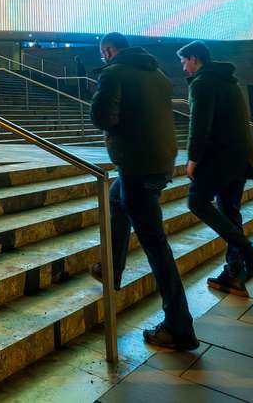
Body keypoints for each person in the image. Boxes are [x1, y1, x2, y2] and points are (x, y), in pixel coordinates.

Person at [88, 32, 197, 351]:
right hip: (160, 161)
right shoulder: (158, 74)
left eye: (103, 53)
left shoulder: (113, 72)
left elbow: (102, 117)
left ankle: (179, 326)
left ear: (108, 51)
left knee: (156, 245)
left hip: (136, 164)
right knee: (115, 198)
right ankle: (112, 270)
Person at [177, 41, 253, 298]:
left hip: (219, 157)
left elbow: (200, 124)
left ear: (195, 59)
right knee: (229, 211)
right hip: (240, 157)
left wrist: (193, 159)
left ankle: (249, 254)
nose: (183, 67)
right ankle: (234, 273)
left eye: (184, 61)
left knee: (197, 202)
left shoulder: (202, 83)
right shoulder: (229, 82)